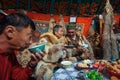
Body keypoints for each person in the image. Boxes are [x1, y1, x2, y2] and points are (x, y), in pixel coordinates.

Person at [0, 13, 44, 80]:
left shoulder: (9, 53)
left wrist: (31, 65)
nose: (31, 42)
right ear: (10, 32)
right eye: (29, 36)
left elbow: (17, 76)